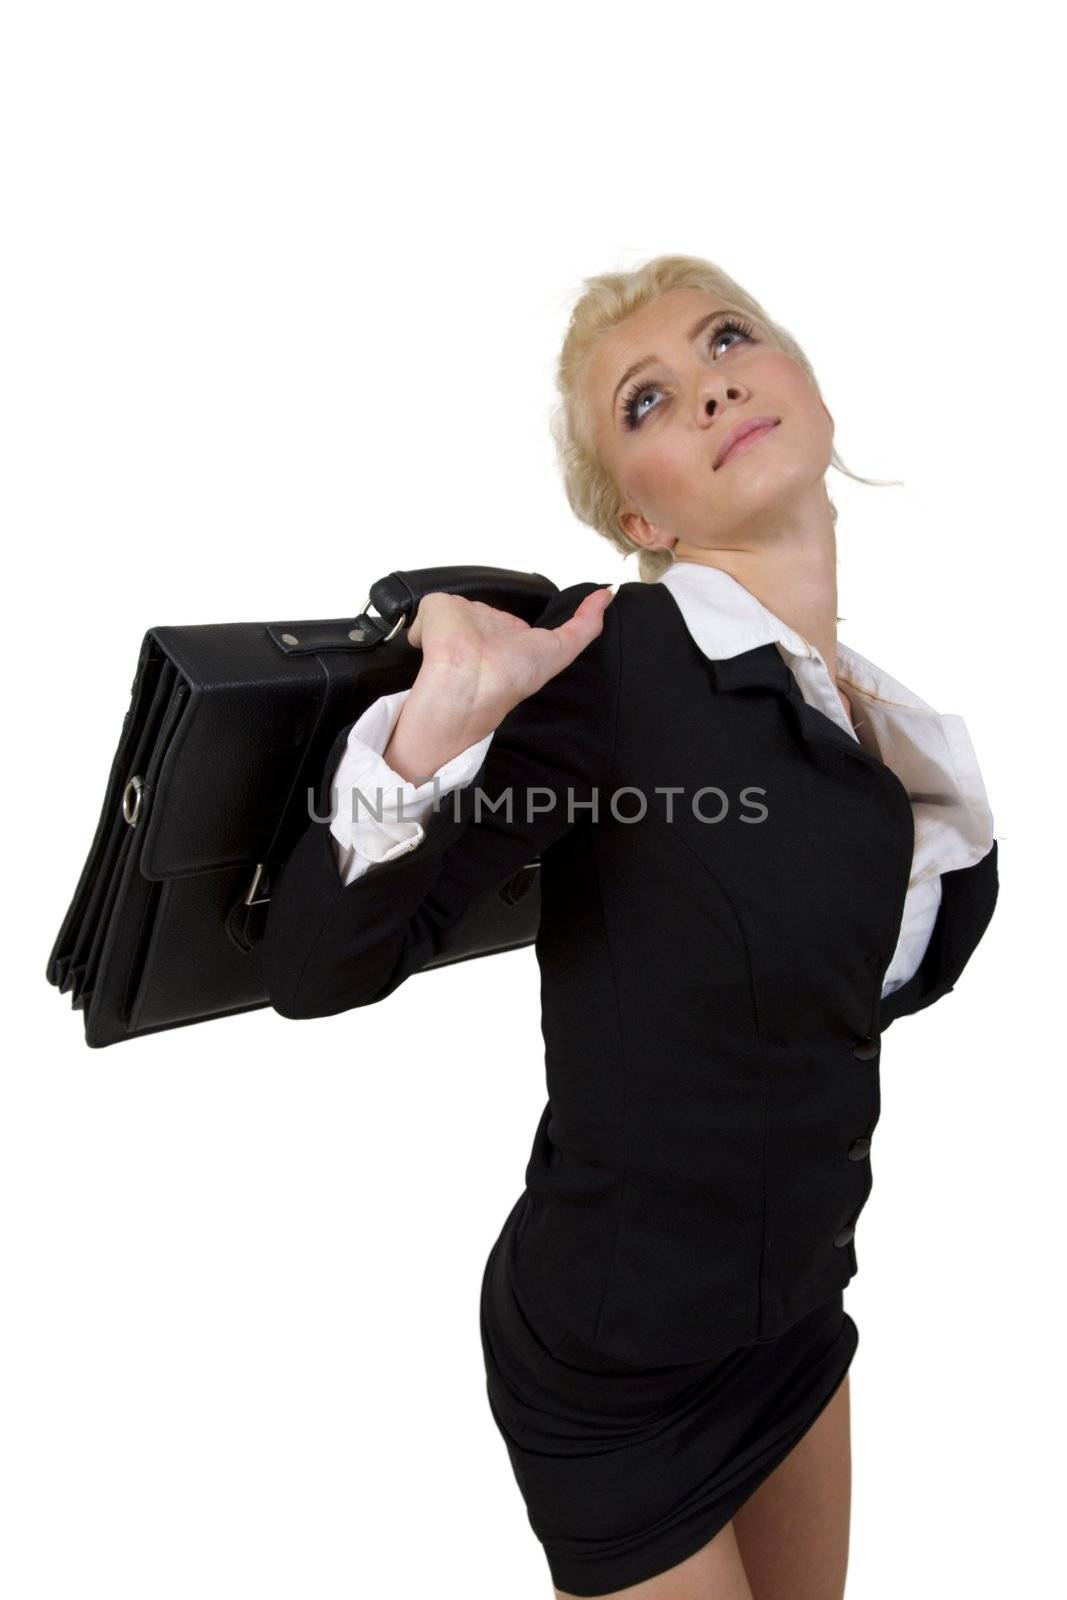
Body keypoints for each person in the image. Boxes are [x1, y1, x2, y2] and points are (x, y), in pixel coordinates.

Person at [260, 255, 999, 1600]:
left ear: (806, 381)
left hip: (792, 1321)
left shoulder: (875, 722)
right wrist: (429, 732)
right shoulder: (624, 667)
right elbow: (321, 969)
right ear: (637, 518)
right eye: (648, 401)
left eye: (729, 339)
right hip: (617, 1368)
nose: (712, 383)